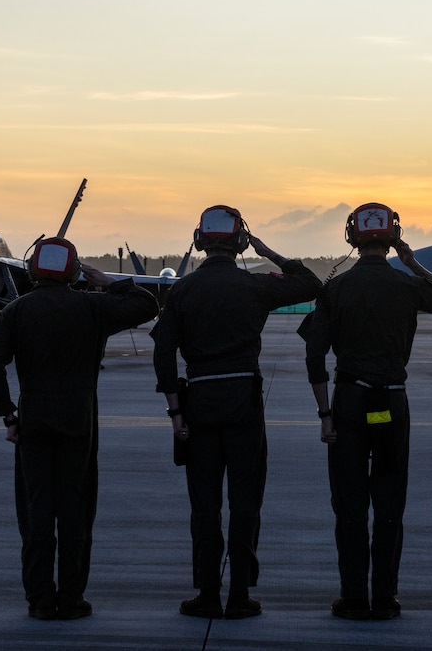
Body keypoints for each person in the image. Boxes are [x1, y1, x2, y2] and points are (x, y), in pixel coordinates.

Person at [152, 205, 320, 620]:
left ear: (200, 241)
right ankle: (240, 594)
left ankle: (208, 594)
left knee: (205, 506)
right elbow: (310, 284)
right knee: (245, 503)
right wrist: (271, 253)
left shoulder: (183, 291)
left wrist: (175, 411)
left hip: (198, 406)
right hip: (244, 401)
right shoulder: (255, 286)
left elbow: (162, 354)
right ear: (241, 242)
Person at [0, 237, 158, 620]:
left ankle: (40, 600)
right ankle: (72, 598)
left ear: (32, 269)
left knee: (36, 510)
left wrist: (8, 416)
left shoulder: (16, 311)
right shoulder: (92, 306)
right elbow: (147, 305)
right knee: (76, 509)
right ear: (73, 270)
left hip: (34, 419)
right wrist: (109, 282)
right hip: (79, 417)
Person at [300, 202, 432, 621]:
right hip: (391, 401)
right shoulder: (406, 286)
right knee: (389, 505)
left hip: (349, 401)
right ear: (393, 239)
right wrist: (414, 263)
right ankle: (385, 598)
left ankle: (353, 598)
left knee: (349, 506)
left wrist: (325, 416)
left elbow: (315, 356)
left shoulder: (334, 289)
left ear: (352, 238)